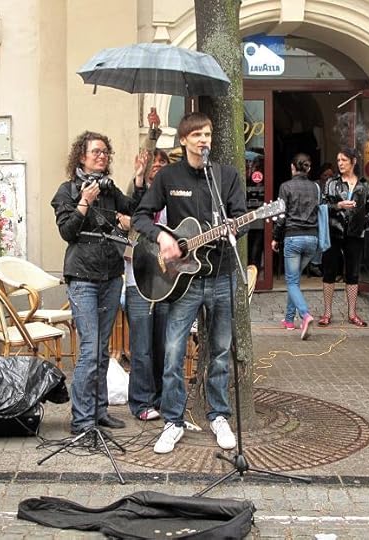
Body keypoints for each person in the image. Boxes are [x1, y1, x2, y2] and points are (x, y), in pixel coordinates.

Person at [132, 112, 247, 454]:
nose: (203, 140)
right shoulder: (169, 176)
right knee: (173, 352)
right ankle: (173, 421)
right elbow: (140, 216)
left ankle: (219, 416)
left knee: (221, 351)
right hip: (183, 281)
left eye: (207, 134)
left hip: (222, 274)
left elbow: (242, 218)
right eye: (196, 135)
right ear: (183, 140)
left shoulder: (225, 176)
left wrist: (235, 228)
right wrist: (162, 237)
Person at [51, 130, 146, 435]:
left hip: (110, 276)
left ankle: (99, 411)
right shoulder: (67, 191)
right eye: (96, 151)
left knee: (102, 349)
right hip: (82, 278)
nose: (102, 156)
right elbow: (67, 232)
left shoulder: (109, 189)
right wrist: (84, 202)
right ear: (82, 156)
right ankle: (81, 421)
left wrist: (139, 179)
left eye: (106, 152)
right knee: (90, 349)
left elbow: (134, 209)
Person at [123, 109, 171, 421]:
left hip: (166, 281)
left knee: (162, 344)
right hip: (137, 281)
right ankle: (141, 403)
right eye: (154, 165)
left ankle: (162, 398)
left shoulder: (172, 201)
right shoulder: (137, 197)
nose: (157, 170)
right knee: (141, 346)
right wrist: (152, 134)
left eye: (162, 167)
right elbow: (134, 199)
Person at [318, 147, 369, 327]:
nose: (340, 164)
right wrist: (339, 206)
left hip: (355, 234)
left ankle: (352, 313)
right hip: (334, 232)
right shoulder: (331, 183)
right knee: (329, 272)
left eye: (344, 160)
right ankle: (327, 313)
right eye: (338, 160)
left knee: (353, 273)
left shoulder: (364, 186)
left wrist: (363, 224)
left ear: (353, 161)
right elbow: (322, 205)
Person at [272, 153, 318, 339]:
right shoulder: (315, 187)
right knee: (295, 280)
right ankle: (289, 320)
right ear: (308, 168)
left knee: (291, 281)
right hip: (312, 238)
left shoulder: (286, 186)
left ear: (292, 167)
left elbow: (281, 215)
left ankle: (305, 315)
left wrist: (276, 237)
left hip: (293, 237)